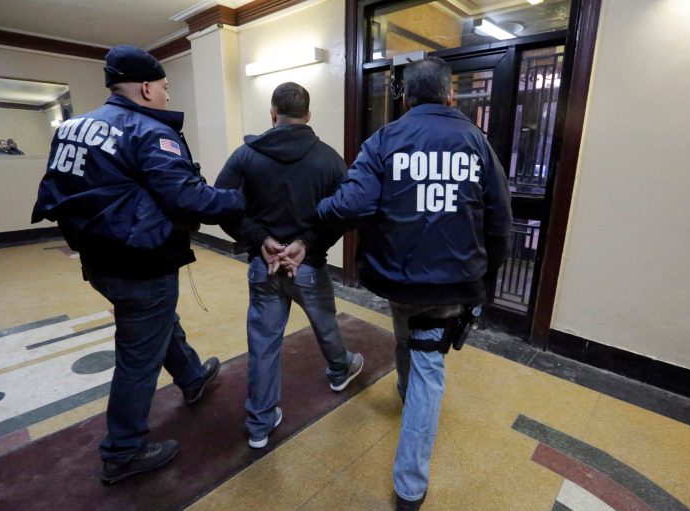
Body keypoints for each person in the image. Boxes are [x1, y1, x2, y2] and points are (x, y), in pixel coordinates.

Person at [31, 45, 246, 485]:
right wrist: (241, 199)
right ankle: (122, 451)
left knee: (153, 321)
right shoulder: (149, 131)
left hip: (98, 259)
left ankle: (190, 377)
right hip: (140, 260)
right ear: (147, 88)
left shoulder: (73, 126)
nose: (167, 96)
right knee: (137, 354)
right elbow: (187, 196)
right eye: (166, 88)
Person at [317, 57, 512, 510]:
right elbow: (500, 221)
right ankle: (410, 486)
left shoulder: (384, 140)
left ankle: (407, 403)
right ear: (449, 95)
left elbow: (352, 206)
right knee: (427, 365)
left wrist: (314, 216)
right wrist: (484, 282)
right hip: (452, 282)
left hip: (398, 278)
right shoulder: (476, 143)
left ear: (405, 97)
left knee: (409, 332)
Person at [215, 82, 364, 449]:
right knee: (326, 324)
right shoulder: (329, 159)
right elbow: (344, 215)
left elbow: (219, 204)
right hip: (308, 267)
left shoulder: (245, 156)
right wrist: (304, 244)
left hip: (264, 267)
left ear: (272, 113)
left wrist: (260, 239)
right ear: (308, 116)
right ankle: (340, 370)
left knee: (263, 344)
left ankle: (261, 423)